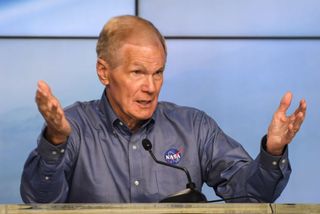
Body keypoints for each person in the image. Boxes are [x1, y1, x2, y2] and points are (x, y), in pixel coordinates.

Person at [20, 15, 306, 203]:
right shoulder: (74, 125)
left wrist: (273, 151)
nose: (151, 86)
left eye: (158, 73)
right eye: (137, 73)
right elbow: (40, 202)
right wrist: (55, 140)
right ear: (104, 72)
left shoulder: (193, 126)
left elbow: (253, 196)